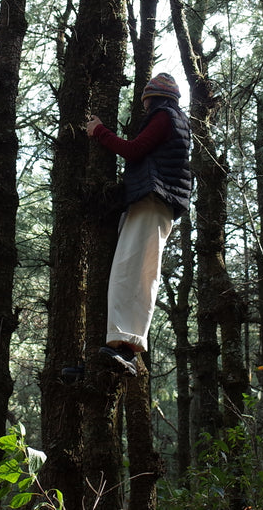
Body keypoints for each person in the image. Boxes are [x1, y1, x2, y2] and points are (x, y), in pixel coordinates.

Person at [82, 72, 192, 376]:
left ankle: (126, 346)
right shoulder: (173, 118)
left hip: (154, 201)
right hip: (151, 201)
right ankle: (119, 344)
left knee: (135, 272)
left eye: (147, 102)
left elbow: (134, 150)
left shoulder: (166, 117)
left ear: (155, 99)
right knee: (129, 269)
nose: (145, 109)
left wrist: (99, 131)